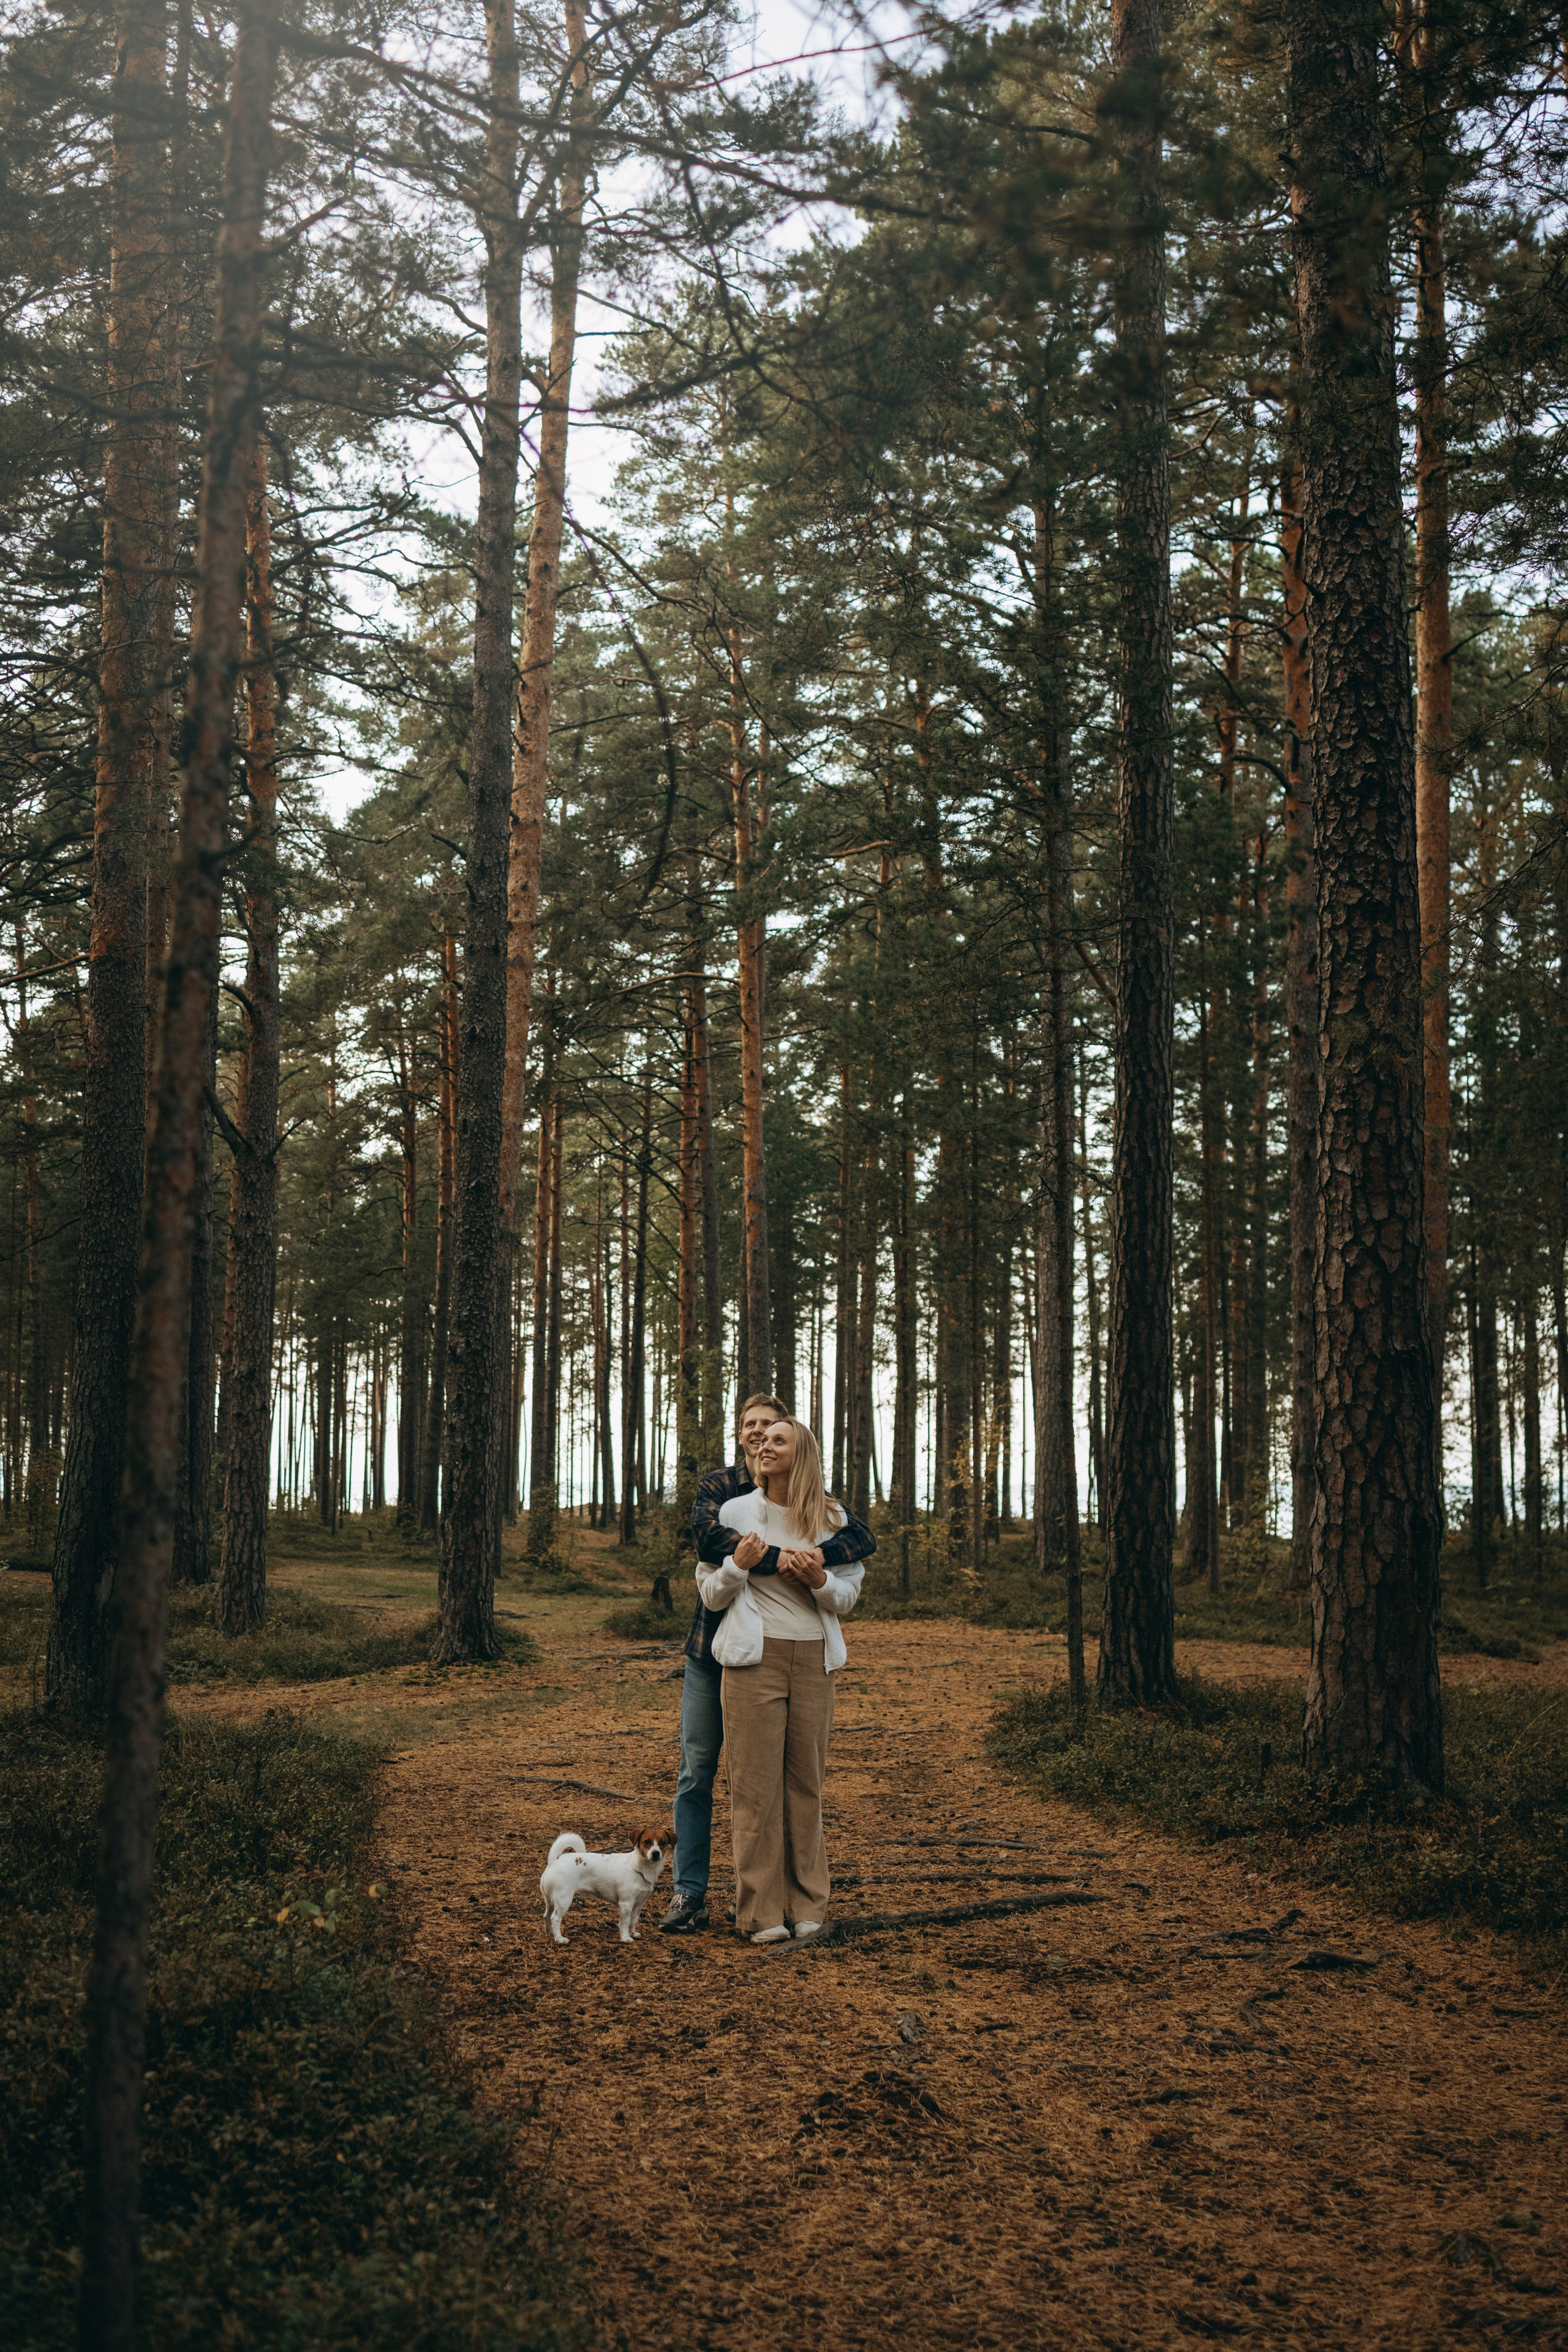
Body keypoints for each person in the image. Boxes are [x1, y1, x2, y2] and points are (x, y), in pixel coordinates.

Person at [659, 1393, 875, 1934]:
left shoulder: (831, 1518)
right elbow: (711, 1590)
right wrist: (740, 1565)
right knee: (752, 1789)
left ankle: (808, 1908)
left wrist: (820, 1580)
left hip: (815, 1659)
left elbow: (849, 1593)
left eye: (779, 1437)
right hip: (752, 1657)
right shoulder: (732, 1510)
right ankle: (758, 1910)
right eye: (757, 1434)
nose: (764, 1443)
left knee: (806, 1788)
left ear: (803, 1452)